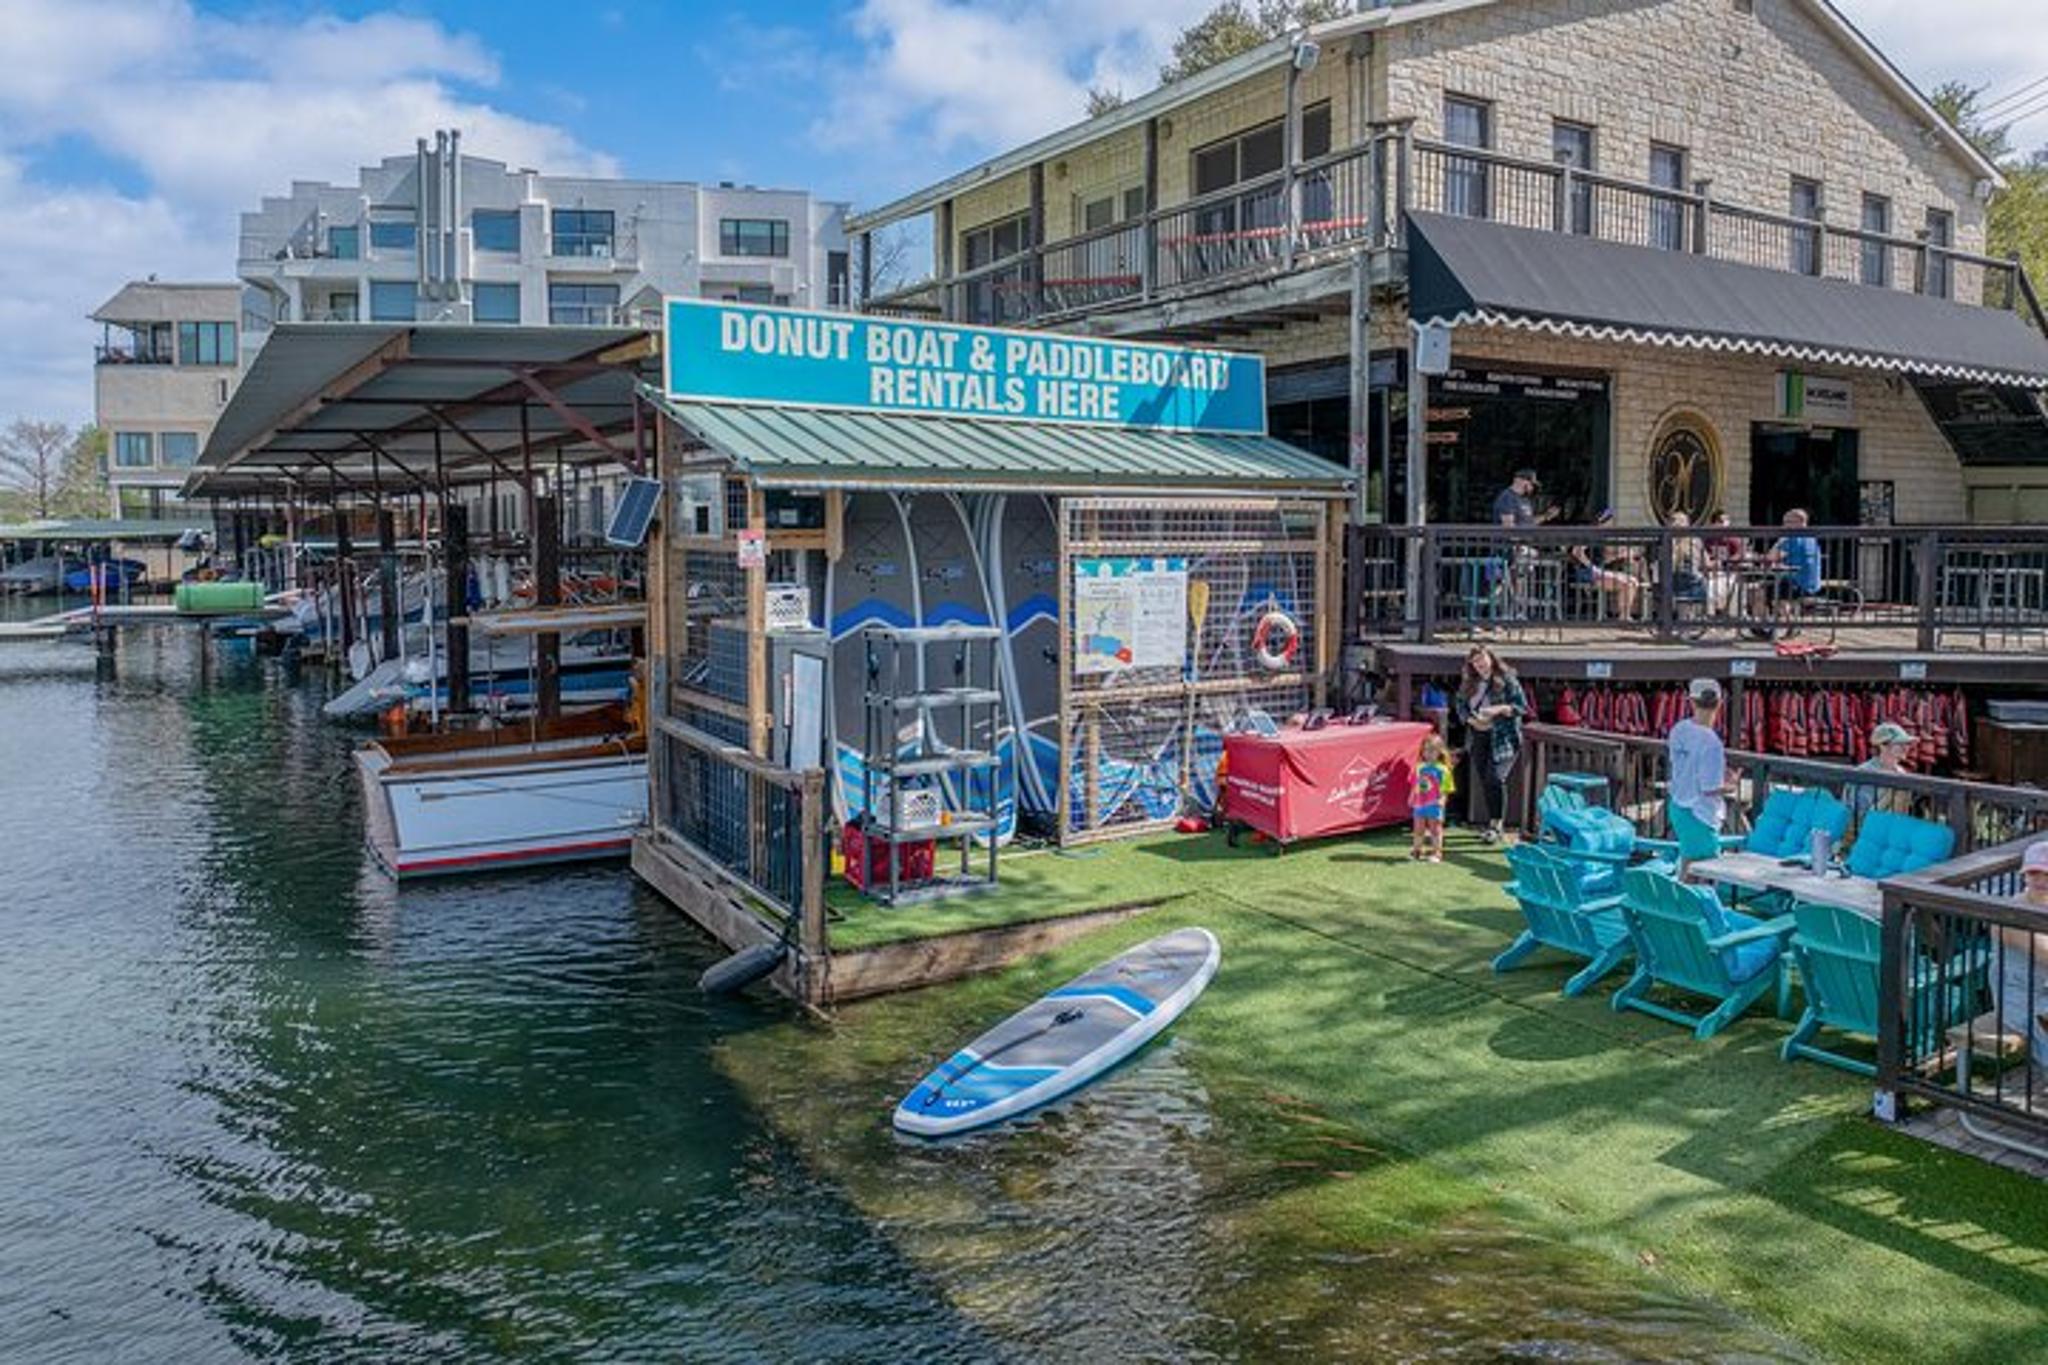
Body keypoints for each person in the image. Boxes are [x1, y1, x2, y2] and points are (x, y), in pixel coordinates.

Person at [1453, 645, 1530, 844]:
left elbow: (1521, 707)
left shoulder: (1507, 679)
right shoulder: (1469, 682)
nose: (1479, 664)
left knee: (1495, 778)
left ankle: (1497, 825)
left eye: (1482, 659)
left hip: (1503, 738)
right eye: (1475, 661)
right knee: (1486, 781)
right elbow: (1460, 705)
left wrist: (1499, 709)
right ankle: (1493, 823)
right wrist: (1471, 720)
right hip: (1478, 736)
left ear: (1491, 659)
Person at [1667, 677, 1737, 876]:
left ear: (1691, 702)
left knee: (1688, 864)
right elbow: (1709, 787)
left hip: (1678, 806)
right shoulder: (1712, 742)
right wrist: (1731, 784)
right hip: (1700, 813)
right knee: (1702, 873)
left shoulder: (1679, 730)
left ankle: (1679, 896)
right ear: (1720, 704)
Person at [1999, 841, 2048, 1070]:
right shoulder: (2013, 913)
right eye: (2034, 873)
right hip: (2021, 996)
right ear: (2024, 875)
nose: (2041, 881)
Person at [1567, 508, 1642, 619]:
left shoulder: (1601, 536)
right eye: (1609, 521)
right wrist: (1593, 568)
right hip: (1586, 573)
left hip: (1598, 571)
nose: (1611, 524)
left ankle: (1624, 616)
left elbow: (1602, 560)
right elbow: (1576, 551)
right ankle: (1624, 617)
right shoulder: (1591, 533)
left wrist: (1620, 556)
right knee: (1627, 584)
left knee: (1633, 582)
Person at [1844, 722, 1918, 826]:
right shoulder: (1865, 773)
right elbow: (1859, 815)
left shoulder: (1901, 772)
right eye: (1899, 744)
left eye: (1907, 744)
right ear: (1883, 746)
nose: (1905, 748)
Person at [1410, 732, 1454, 863]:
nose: (1428, 753)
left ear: (1439, 751)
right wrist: (1412, 796)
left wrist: (1442, 800)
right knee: (1418, 829)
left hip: (1434, 804)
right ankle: (1417, 851)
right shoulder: (1419, 767)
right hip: (1419, 804)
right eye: (1426, 750)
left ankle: (1437, 853)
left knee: (1435, 830)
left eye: (1432, 750)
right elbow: (1415, 784)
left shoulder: (1443, 769)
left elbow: (1446, 788)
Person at [1492, 469, 1560, 529]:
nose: (1532, 488)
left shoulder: (1525, 499)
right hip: (1513, 539)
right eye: (1531, 484)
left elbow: (1529, 522)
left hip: (1526, 537)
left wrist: (1546, 515)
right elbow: (1508, 528)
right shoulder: (1507, 498)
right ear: (1519, 480)